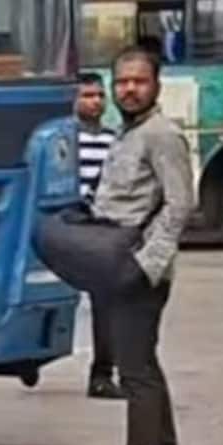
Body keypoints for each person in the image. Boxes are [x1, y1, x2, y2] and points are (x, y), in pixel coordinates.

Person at [89, 46, 195, 445]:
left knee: (134, 371)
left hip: (140, 271)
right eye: (122, 82)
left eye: (139, 81)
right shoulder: (126, 133)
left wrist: (148, 265)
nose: (129, 89)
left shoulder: (162, 135)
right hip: (115, 264)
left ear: (156, 85)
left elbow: (180, 204)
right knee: (142, 362)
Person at [75, 72, 124, 401]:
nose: (95, 102)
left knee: (106, 304)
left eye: (99, 95)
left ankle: (102, 373)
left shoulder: (114, 140)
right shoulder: (64, 140)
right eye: (87, 95)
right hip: (69, 224)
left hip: (100, 228)